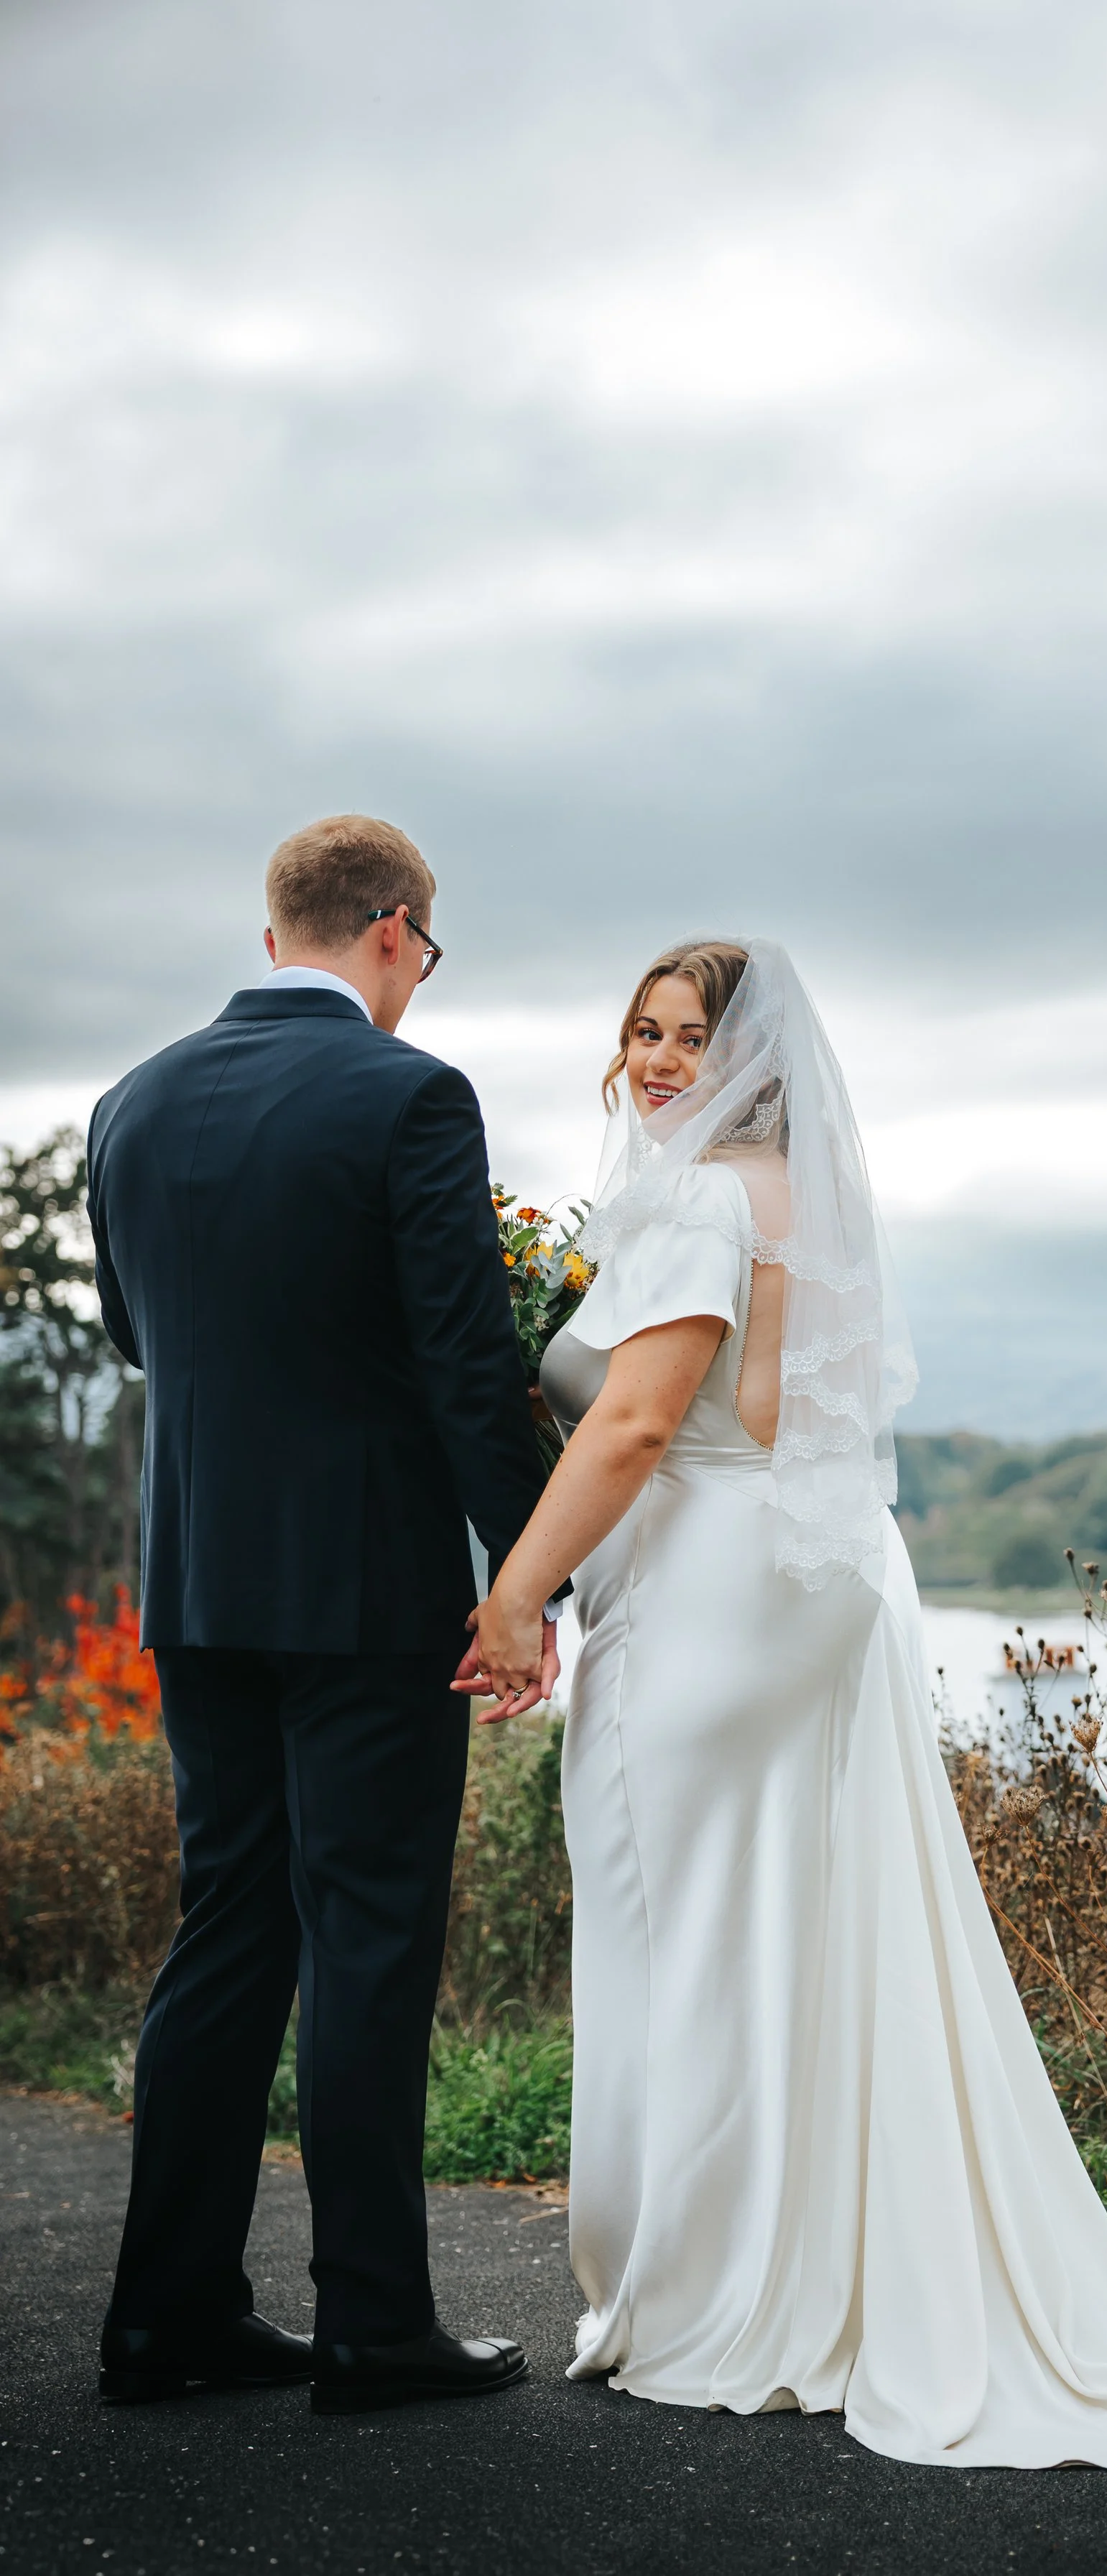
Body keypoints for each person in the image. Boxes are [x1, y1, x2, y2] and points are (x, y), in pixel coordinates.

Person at [459, 937, 1107, 2469]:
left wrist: (513, 1597)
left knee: (678, 1925)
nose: (658, 1060)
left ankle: (704, 2298)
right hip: (813, 1579)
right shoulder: (791, 1195)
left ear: (751, 1056)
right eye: (639, 1030)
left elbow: (631, 1423)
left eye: (691, 1036)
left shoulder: (697, 1196)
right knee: (789, 1931)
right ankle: (794, 2273)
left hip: (710, 1590)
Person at [88, 815, 556, 2414]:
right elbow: (464, 1360)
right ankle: (371, 2322)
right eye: (424, 958)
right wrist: (535, 1571)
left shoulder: (128, 1102)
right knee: (367, 1939)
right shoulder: (409, 1094)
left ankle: (166, 2315)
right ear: (397, 930)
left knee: (227, 1927)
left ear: (274, 925)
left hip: (199, 1585)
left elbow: (140, 1337)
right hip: (365, 1589)